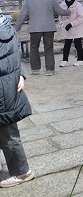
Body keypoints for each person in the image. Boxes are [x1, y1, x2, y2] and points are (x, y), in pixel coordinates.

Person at [0, 11, 35, 188]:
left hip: (3, 88)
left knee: (8, 133)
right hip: (8, 85)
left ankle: (22, 172)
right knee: (6, 131)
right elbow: (14, 54)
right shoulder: (4, 24)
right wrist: (20, 74)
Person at [14, 0, 71, 76]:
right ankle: (50, 70)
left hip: (35, 28)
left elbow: (22, 14)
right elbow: (60, 11)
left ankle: (35, 69)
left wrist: (17, 27)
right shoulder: (50, 0)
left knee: (34, 47)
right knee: (49, 48)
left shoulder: (29, 0)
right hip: (49, 27)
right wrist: (69, 11)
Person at [58, 0, 83, 67]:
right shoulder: (63, 4)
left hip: (76, 27)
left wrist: (71, 24)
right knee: (67, 44)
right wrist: (62, 23)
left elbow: (81, 17)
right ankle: (64, 60)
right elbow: (60, 15)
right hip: (66, 28)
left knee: (77, 44)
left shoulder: (78, 5)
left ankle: (80, 59)